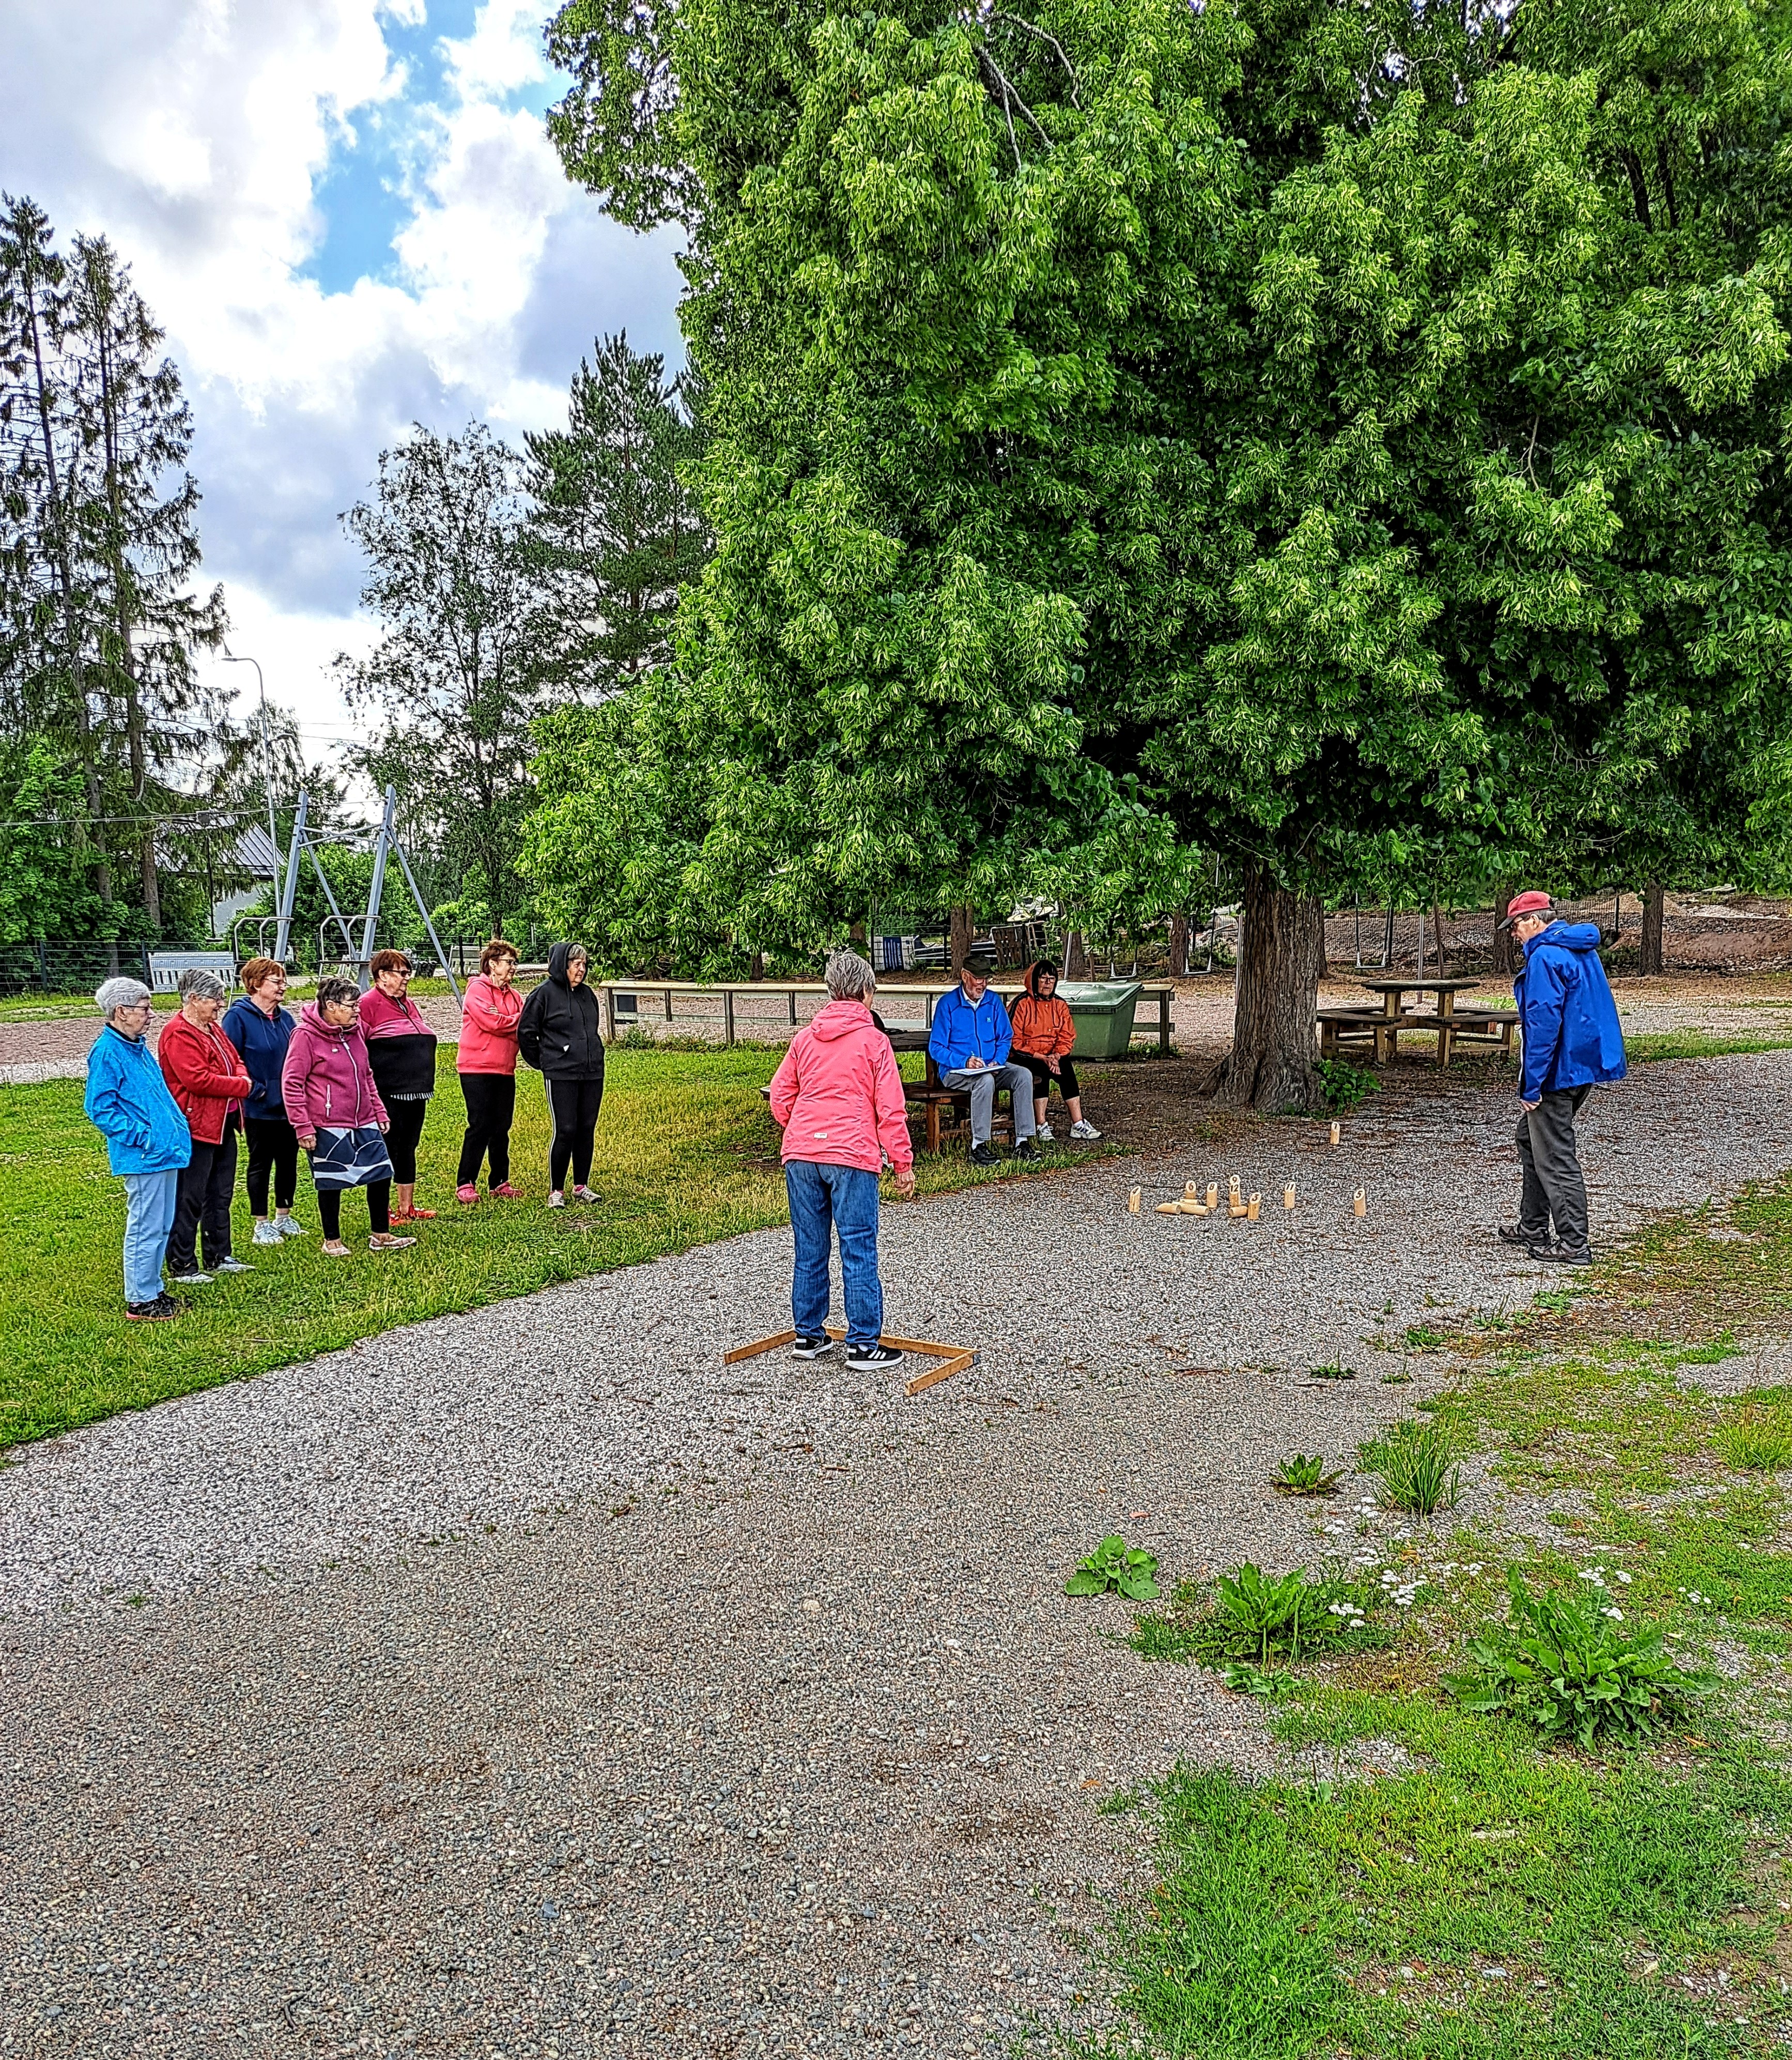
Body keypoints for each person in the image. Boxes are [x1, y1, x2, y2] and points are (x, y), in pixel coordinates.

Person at [768, 949, 915, 1368]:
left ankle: (808, 1335)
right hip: (851, 1153)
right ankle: (864, 1343)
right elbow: (890, 1109)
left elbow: (781, 1095)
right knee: (858, 1247)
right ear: (866, 992)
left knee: (810, 1248)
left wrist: (798, 1127)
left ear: (832, 991)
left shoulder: (805, 1038)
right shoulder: (874, 1041)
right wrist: (902, 1163)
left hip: (801, 1154)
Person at [1498, 891, 1627, 1266]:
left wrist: (1532, 1084)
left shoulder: (1545, 957)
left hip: (1558, 1068)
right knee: (1529, 1139)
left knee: (1554, 1154)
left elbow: (1542, 1024)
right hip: (1582, 1064)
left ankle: (1574, 1243)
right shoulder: (1579, 948)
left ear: (1536, 921)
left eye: (1517, 925)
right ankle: (1533, 1225)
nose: (1514, 933)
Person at [282, 976, 415, 1257]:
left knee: (380, 1173)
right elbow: (292, 1083)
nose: (358, 1010)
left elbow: (366, 1075)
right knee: (331, 1180)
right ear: (330, 1006)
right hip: (327, 1123)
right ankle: (332, 1239)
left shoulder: (354, 1032)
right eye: (352, 1005)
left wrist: (378, 1110)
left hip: (364, 1118)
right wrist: (302, 1126)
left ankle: (381, 1233)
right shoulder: (305, 1036)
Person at [84, 977, 192, 1320]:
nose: (151, 1015)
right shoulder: (108, 1052)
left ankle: (153, 1287)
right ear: (122, 1011)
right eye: (145, 1009)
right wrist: (142, 1136)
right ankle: (140, 1299)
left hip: (164, 1151)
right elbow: (100, 1108)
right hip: (144, 1155)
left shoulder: (137, 1047)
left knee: (161, 1225)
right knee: (145, 1225)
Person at [158, 966, 256, 1286]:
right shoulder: (178, 1033)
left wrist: (239, 1076)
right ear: (194, 999)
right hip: (197, 1125)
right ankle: (182, 1263)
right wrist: (242, 1086)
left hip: (223, 1122)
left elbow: (235, 1058)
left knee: (220, 1192)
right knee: (191, 1195)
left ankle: (219, 1254)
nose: (220, 1004)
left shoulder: (214, 1029)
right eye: (215, 999)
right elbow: (197, 1080)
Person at [223, 957, 306, 1247]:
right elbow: (229, 1060)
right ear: (256, 984)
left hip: (290, 1106)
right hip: (257, 1107)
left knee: (288, 1161)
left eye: (284, 980)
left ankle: (284, 1216)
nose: (284, 986)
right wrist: (256, 1090)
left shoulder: (286, 1019)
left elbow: (299, 1056)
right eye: (277, 981)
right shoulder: (237, 1018)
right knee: (260, 1163)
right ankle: (261, 1223)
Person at [926, 955, 1038, 1167]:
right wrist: (964, 1061)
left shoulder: (993, 1001)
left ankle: (1023, 1142)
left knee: (1023, 1075)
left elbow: (1006, 1037)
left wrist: (997, 1060)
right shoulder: (947, 1005)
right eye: (978, 979)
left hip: (990, 1066)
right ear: (965, 977)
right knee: (985, 1081)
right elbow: (936, 1048)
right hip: (955, 1072)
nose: (983, 984)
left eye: (986, 978)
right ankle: (979, 1145)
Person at [517, 940, 605, 1208]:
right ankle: (557, 1189)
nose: (581, 970)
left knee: (586, 1129)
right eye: (576, 965)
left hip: (591, 1072)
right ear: (562, 965)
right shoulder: (543, 995)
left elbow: (591, 1028)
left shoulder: (588, 995)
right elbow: (526, 1033)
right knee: (565, 1129)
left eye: (584, 965)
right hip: (561, 1073)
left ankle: (582, 1185)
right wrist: (547, 1062)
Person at [358, 949, 439, 1223]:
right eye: (402, 973)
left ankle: (407, 1208)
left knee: (408, 1146)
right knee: (389, 1148)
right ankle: (382, 1211)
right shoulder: (368, 1003)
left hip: (417, 1090)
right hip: (388, 1091)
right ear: (382, 976)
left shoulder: (407, 1003)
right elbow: (359, 1048)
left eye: (408, 973)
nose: (407, 979)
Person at [455, 937, 524, 1204]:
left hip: (505, 1069)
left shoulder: (515, 995)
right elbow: (492, 1022)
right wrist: (515, 1022)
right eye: (509, 962)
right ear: (492, 964)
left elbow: (521, 1026)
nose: (513, 968)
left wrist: (513, 1023)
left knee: (502, 1127)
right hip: (476, 1068)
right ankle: (466, 1182)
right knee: (480, 1124)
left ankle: (499, 1181)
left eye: (514, 963)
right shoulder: (477, 990)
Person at [1009, 959, 1102, 1142]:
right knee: (1039, 1070)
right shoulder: (1021, 1003)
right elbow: (1014, 1041)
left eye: (1051, 979)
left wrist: (1056, 1056)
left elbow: (1067, 1036)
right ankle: (1041, 1124)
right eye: (1043, 978)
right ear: (1034, 980)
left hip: (1053, 1055)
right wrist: (1042, 1058)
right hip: (1025, 1055)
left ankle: (1078, 1123)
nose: (1047, 983)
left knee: (1066, 1068)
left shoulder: (1060, 1004)